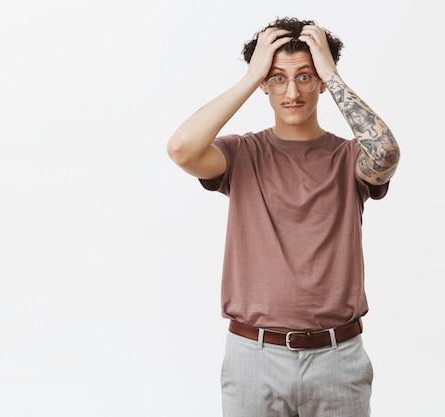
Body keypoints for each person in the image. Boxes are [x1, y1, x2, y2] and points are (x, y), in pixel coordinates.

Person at [166, 17, 400, 417]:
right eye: (277, 78)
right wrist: (250, 75)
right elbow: (181, 148)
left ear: (323, 82)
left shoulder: (348, 159)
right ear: (263, 85)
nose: (292, 91)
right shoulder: (241, 154)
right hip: (254, 359)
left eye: (306, 76)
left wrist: (331, 71)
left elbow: (386, 154)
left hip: (337, 359)